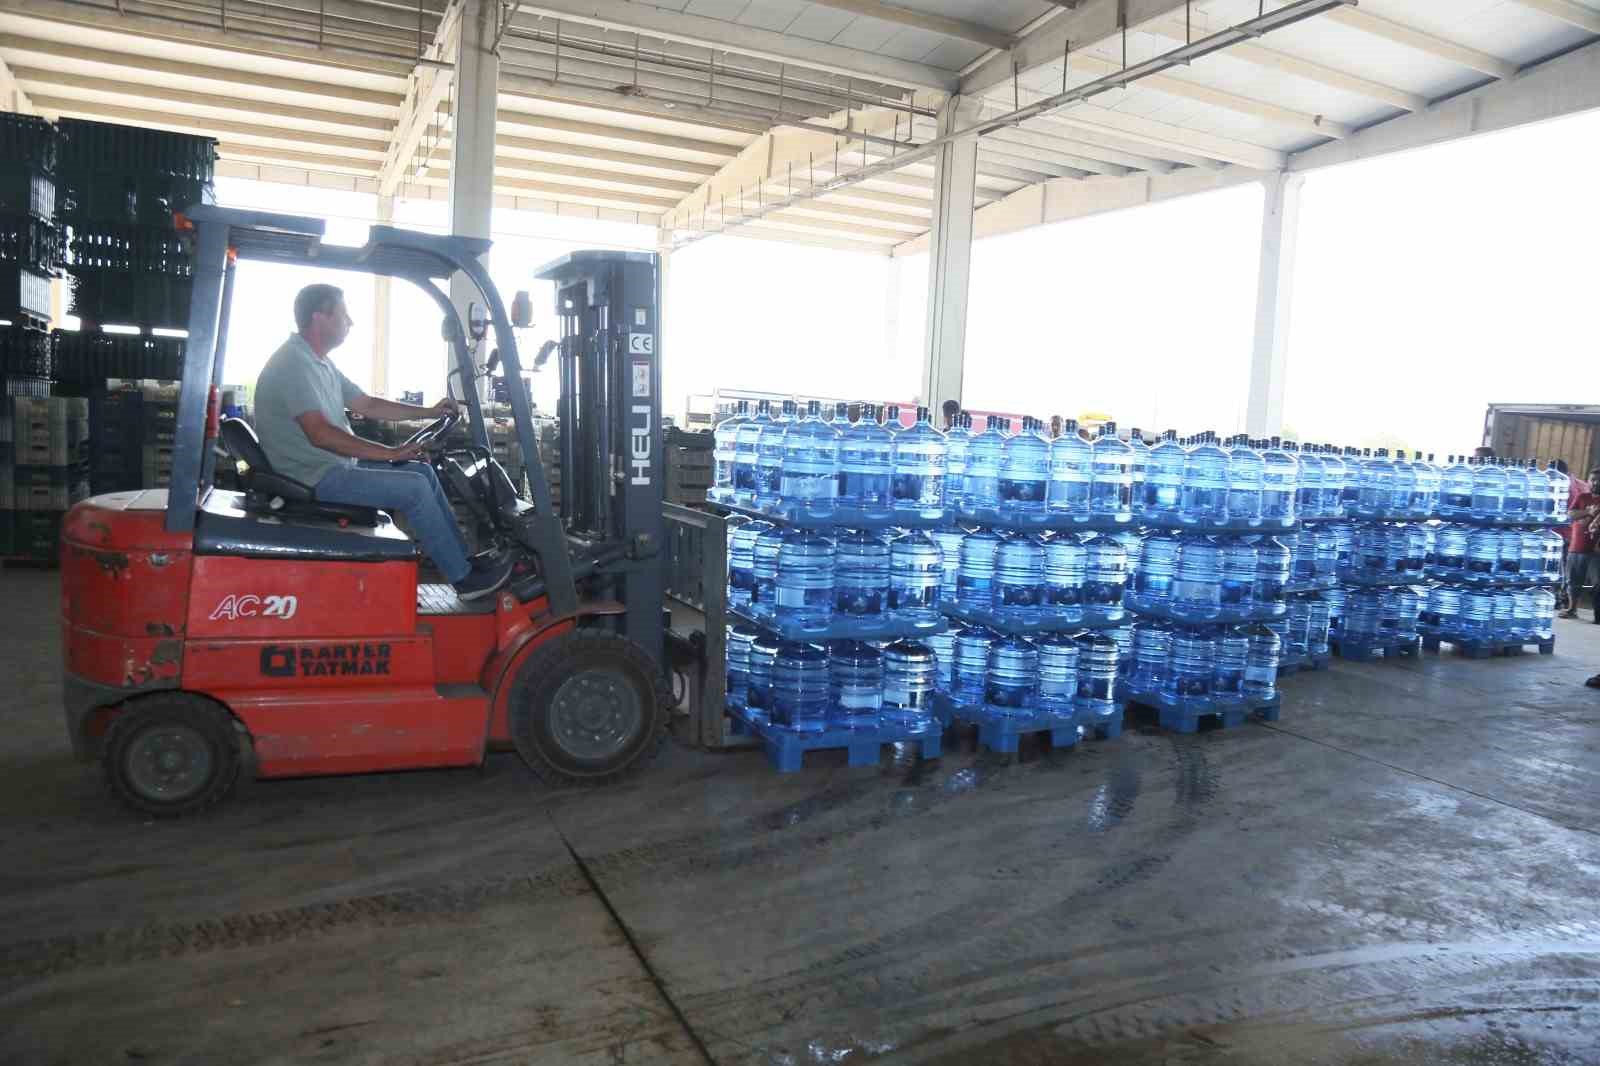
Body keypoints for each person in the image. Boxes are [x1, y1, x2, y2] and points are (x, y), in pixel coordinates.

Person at [253, 284, 514, 601]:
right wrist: (390, 452)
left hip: (329, 467)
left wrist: (429, 410)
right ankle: (464, 580)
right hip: (314, 477)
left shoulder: (319, 362)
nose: (350, 322)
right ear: (320, 318)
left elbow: (368, 405)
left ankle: (465, 564)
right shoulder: (294, 364)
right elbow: (319, 434)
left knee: (422, 473)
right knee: (414, 490)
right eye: (344, 315)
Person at [1562, 467, 1600, 620]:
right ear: (1589, 481)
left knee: (1597, 583)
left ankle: (1598, 615)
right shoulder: (1582, 497)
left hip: (1596, 550)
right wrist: (1588, 512)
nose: (1596, 483)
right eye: (1593, 480)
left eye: (1599, 480)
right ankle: (1572, 609)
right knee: (1573, 580)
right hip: (1577, 545)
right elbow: (1571, 514)